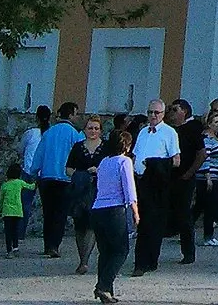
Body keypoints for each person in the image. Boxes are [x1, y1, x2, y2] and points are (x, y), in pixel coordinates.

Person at [90, 129, 139, 304]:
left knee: (105, 252)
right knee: (120, 250)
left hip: (98, 208)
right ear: (126, 146)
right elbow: (129, 188)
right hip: (114, 209)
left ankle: (106, 290)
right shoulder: (124, 161)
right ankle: (103, 286)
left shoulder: (103, 162)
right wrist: (135, 211)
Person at [129, 99, 177, 274]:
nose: (153, 116)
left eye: (156, 113)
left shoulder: (169, 133)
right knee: (142, 222)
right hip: (140, 180)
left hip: (157, 182)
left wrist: (155, 165)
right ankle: (141, 260)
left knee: (153, 223)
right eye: (150, 112)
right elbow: (135, 155)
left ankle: (147, 260)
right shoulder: (143, 132)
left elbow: (175, 160)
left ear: (163, 114)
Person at [36, 103, 83, 256]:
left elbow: (39, 154)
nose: (77, 117)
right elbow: (79, 154)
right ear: (70, 115)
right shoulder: (74, 134)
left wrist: (33, 171)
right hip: (64, 178)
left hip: (47, 177)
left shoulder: (49, 132)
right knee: (60, 214)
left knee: (48, 212)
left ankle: (47, 244)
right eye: (76, 114)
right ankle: (54, 245)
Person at [68, 115, 107, 276]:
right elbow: (68, 168)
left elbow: (110, 166)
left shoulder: (106, 148)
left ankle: (84, 261)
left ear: (101, 131)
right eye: (90, 128)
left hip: (98, 190)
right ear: (85, 130)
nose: (93, 131)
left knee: (92, 224)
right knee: (79, 224)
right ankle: (81, 257)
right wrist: (80, 174)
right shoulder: (78, 147)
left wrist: (98, 171)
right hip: (80, 190)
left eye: (96, 128)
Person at [170, 98, 205, 263]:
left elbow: (201, 154)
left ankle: (188, 252)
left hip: (185, 178)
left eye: (175, 110)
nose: (172, 113)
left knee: (185, 214)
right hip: (170, 177)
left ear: (184, 111)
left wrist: (190, 173)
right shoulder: (170, 130)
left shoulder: (193, 129)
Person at [197, 111, 218, 246]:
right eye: (215, 122)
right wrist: (208, 175)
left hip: (216, 175)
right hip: (209, 177)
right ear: (209, 124)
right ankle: (208, 236)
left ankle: (185, 230)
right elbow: (205, 157)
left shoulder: (215, 138)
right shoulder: (207, 139)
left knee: (203, 206)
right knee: (208, 207)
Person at [18, 108, 47, 234]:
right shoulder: (49, 133)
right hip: (45, 172)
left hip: (29, 171)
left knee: (25, 203)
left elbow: (20, 149)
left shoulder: (31, 133)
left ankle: (20, 232)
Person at [0, 161, 29, 255]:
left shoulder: (5, 185)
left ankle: (9, 250)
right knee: (15, 231)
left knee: (8, 232)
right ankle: (16, 247)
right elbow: (30, 187)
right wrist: (36, 181)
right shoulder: (20, 183)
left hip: (7, 212)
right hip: (17, 211)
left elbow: (1, 199)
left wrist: (0, 209)